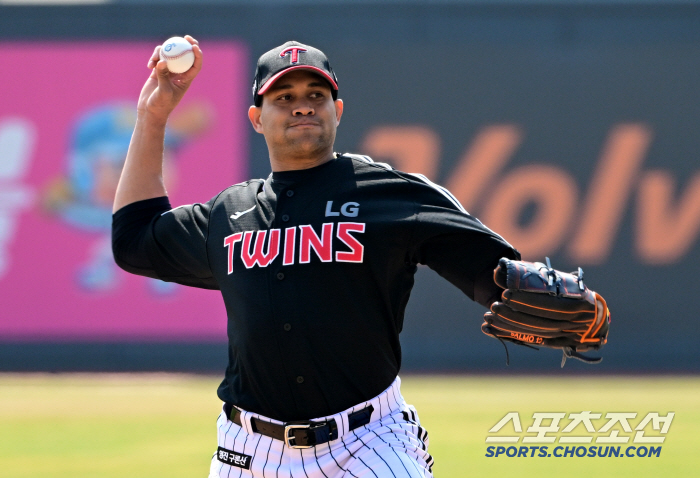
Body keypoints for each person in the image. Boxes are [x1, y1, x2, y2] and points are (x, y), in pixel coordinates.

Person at [112, 37, 519, 477]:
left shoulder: (389, 194)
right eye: (284, 97)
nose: (302, 106)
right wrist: (152, 116)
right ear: (256, 119)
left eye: (316, 96)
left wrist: (524, 292)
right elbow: (134, 239)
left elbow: (494, 270)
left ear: (336, 111)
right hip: (247, 451)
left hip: (366, 441)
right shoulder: (228, 215)